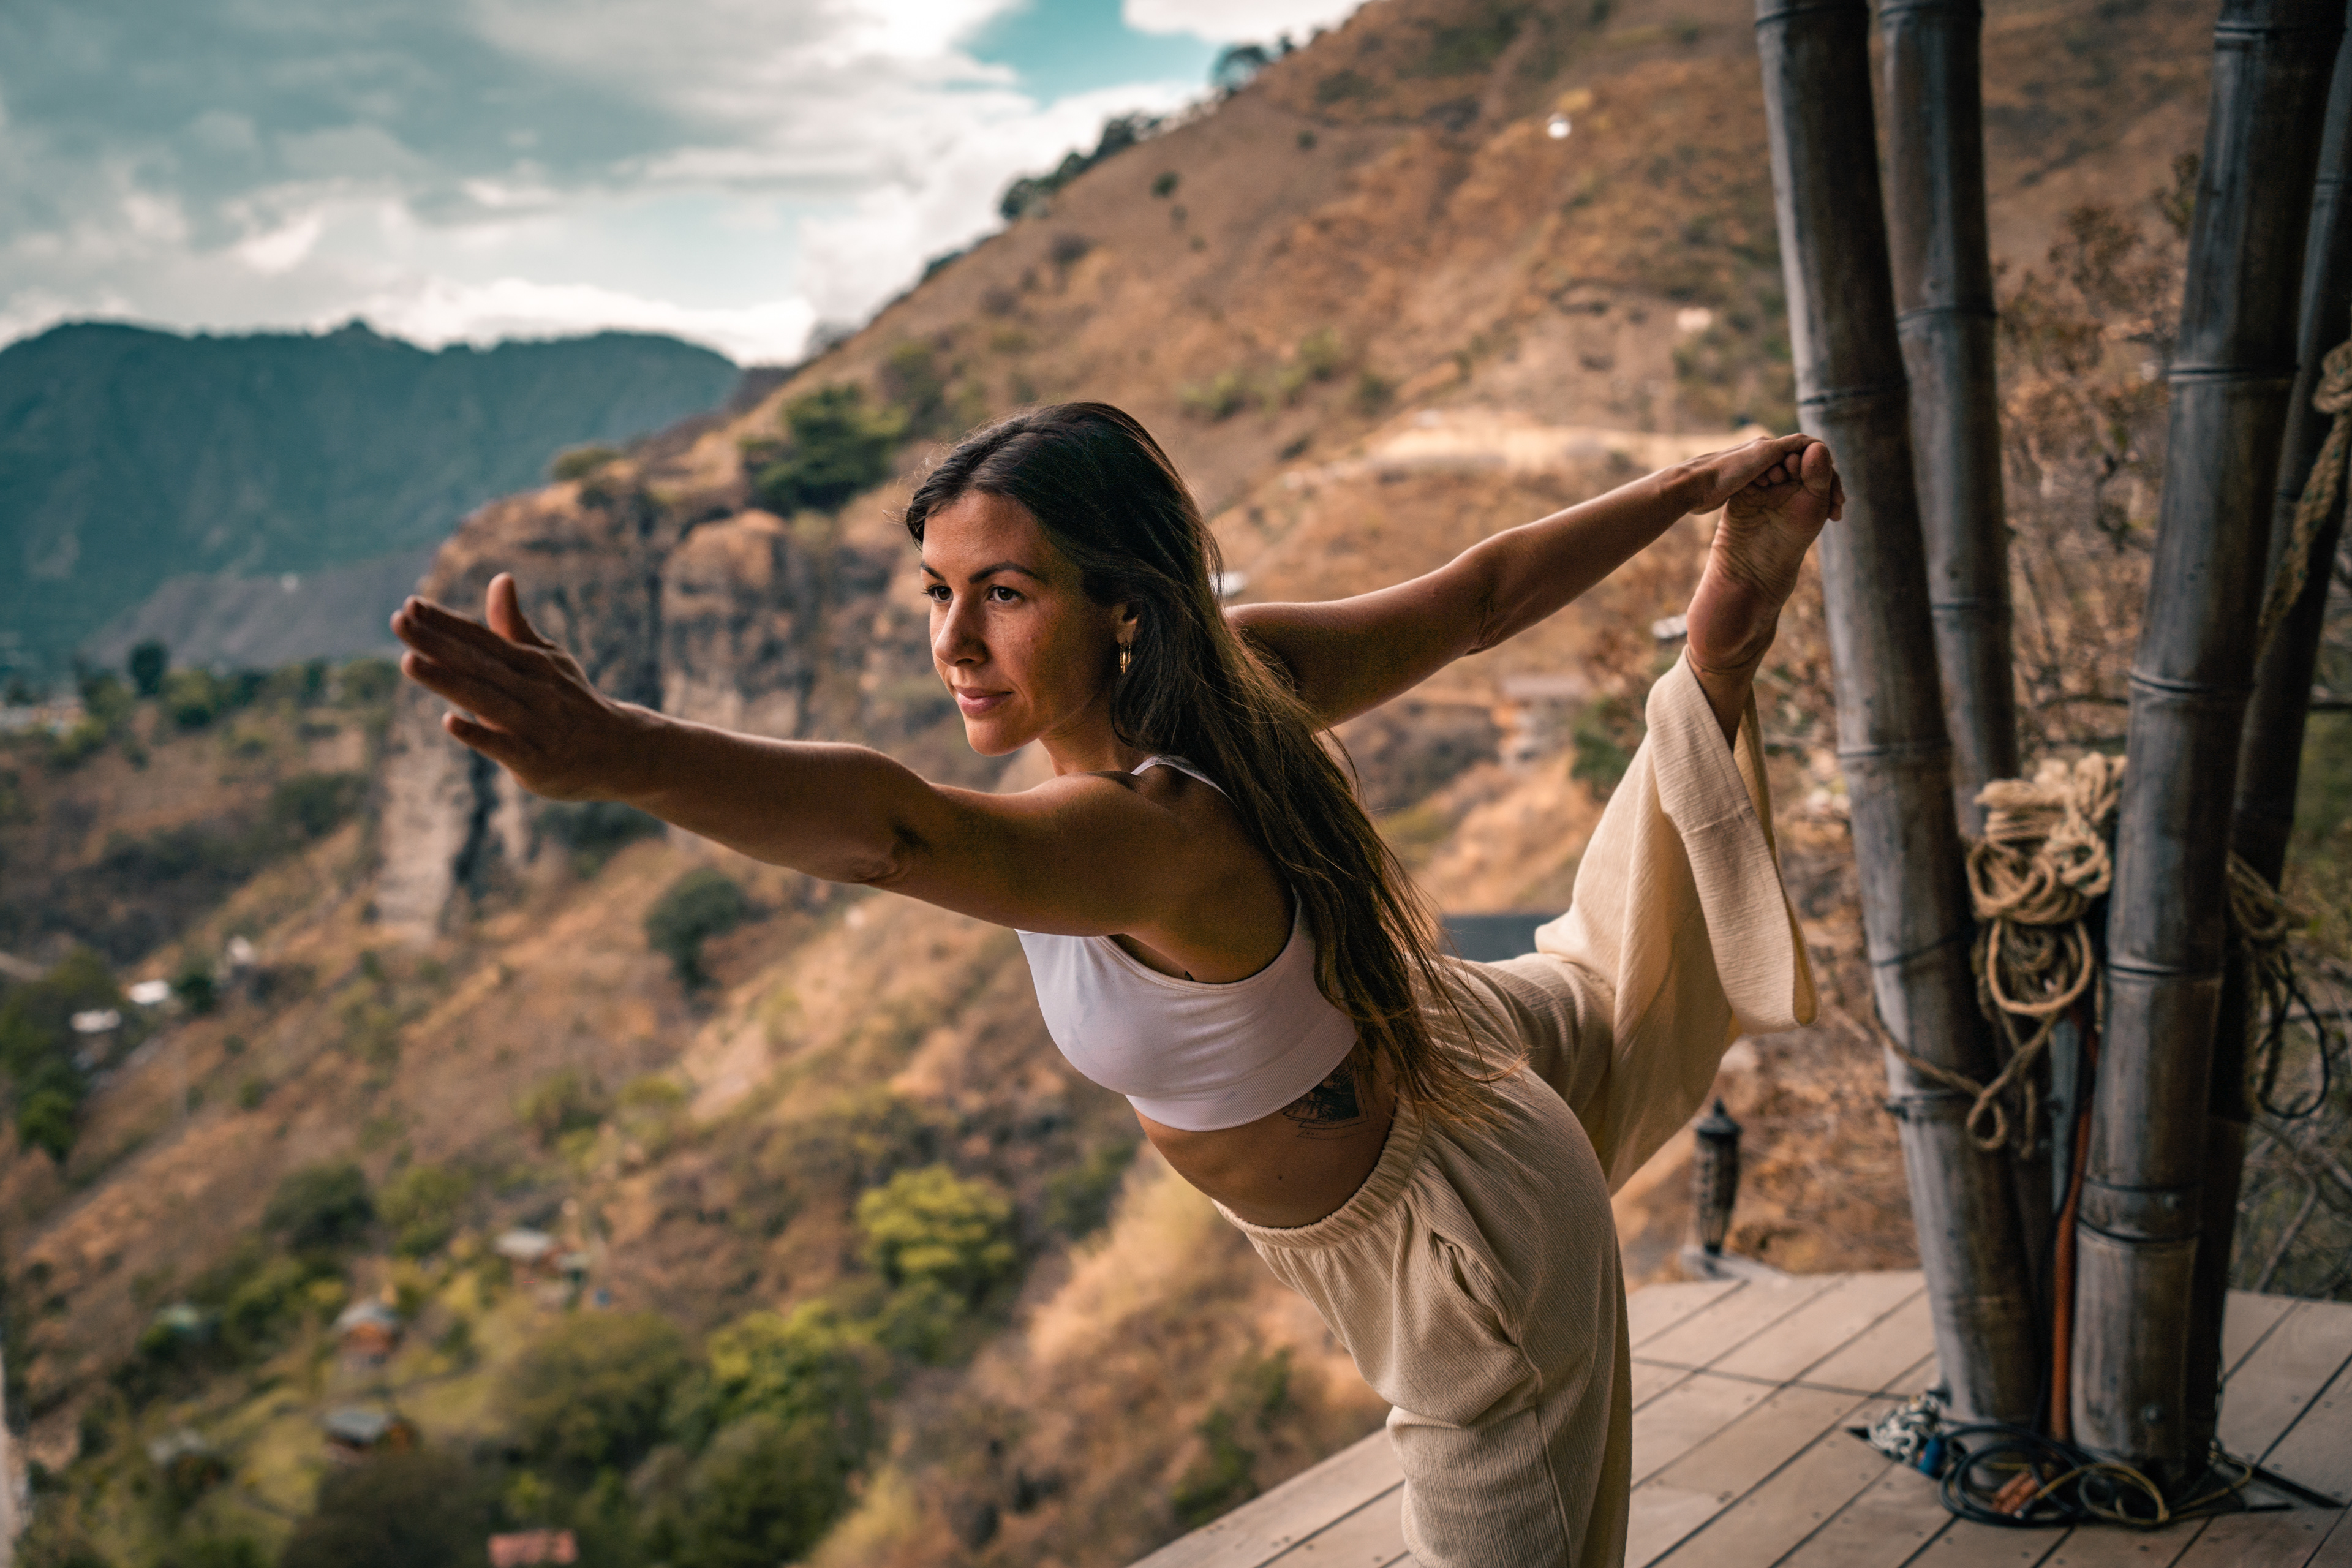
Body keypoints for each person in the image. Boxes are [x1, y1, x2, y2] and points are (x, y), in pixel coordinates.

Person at [391, 401, 1839, 1566]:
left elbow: (897, 830)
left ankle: (1716, 661)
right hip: (1440, 1038)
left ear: (1124, 608)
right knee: (1592, 982)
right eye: (938, 594)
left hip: (1458, 1232)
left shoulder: (1148, 831)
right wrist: (1686, 486)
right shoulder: (1239, 680)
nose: (956, 643)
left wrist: (622, 751)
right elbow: (1474, 601)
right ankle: (1716, 653)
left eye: (1005, 595)